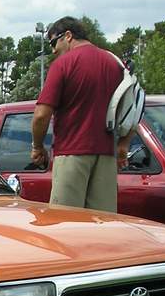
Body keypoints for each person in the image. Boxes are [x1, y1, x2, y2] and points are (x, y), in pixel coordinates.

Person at [30, 17, 132, 212]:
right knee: (102, 222)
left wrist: (37, 146)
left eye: (53, 42)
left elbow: (41, 115)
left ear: (68, 36)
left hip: (71, 152)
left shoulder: (63, 64)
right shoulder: (116, 64)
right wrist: (124, 144)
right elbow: (133, 108)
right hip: (106, 155)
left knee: (65, 221)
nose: (53, 50)